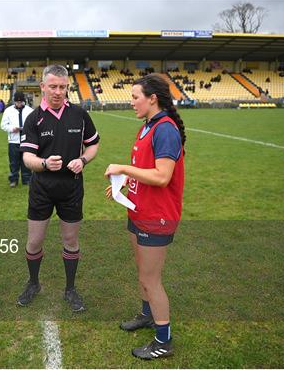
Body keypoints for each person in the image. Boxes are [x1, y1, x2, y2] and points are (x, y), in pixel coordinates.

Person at [104, 73, 185, 360]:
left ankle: (164, 341)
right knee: (142, 273)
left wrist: (123, 169)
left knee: (152, 279)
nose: (131, 102)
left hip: (157, 216)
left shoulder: (165, 129)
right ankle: (147, 315)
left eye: (135, 97)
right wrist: (125, 183)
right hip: (139, 209)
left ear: (153, 98)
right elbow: (145, 167)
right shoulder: (146, 127)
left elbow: (162, 176)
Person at [17, 64, 100, 312]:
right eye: (52, 86)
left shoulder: (80, 115)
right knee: (34, 241)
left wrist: (83, 159)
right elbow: (27, 158)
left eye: (63, 87)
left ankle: (70, 289)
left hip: (71, 189)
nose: (58, 92)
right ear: (42, 87)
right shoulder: (33, 118)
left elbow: (94, 145)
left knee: (71, 240)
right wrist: (43, 163)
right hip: (42, 189)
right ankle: (33, 283)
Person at [0, 92, 33, 187]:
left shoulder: (30, 111)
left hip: (27, 140)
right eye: (17, 102)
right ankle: (13, 180)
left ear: (24, 101)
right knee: (14, 162)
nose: (19, 103)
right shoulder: (8, 111)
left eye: (21, 102)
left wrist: (27, 129)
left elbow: (34, 124)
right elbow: (3, 125)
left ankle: (27, 179)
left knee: (26, 160)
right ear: (14, 101)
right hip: (13, 140)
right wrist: (12, 128)